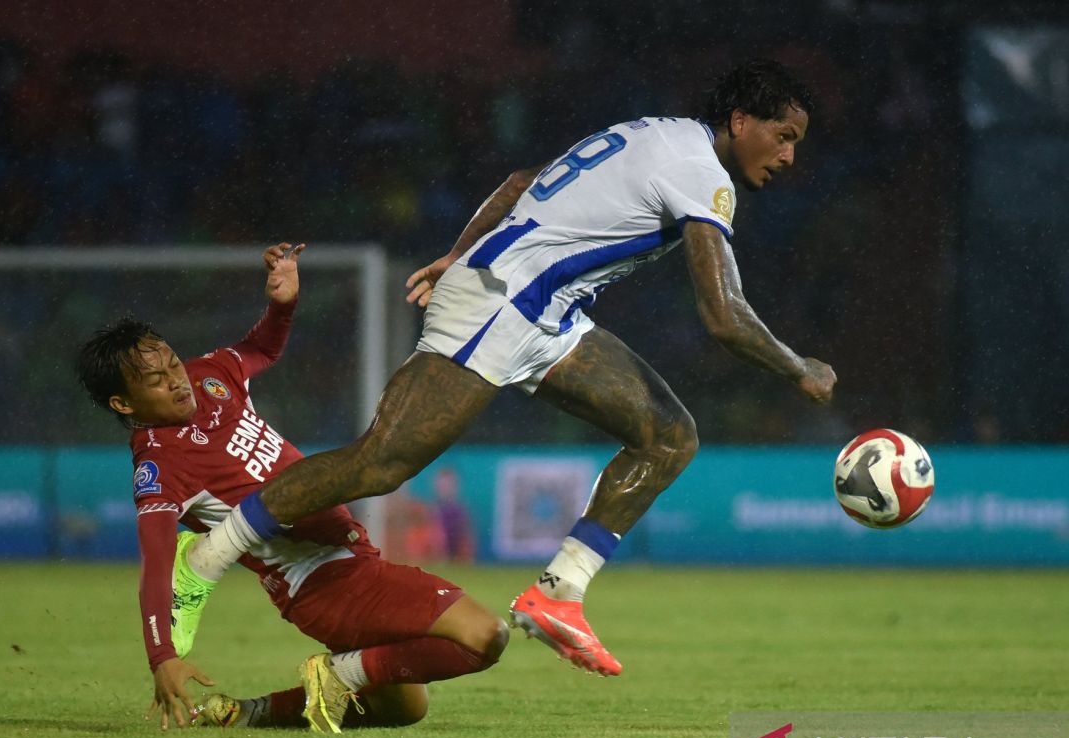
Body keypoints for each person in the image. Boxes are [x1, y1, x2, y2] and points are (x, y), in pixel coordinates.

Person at [200, 59, 837, 677]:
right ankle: (205, 558)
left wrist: (458, 253)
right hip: (503, 302)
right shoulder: (704, 174)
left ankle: (559, 593)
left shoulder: (654, 132)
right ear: (740, 120)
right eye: (783, 137)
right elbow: (723, 314)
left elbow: (517, 180)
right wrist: (798, 369)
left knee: (669, 435)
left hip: (543, 313)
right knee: (380, 464)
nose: (788, 157)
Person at [74, 244, 508, 732]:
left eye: (172, 364)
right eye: (155, 381)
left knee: (403, 706)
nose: (176, 381)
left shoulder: (207, 375)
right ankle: (337, 673)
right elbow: (156, 565)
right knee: (484, 635)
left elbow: (262, 349)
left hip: (350, 562)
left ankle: (246, 714)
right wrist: (161, 656)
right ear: (123, 403)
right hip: (323, 582)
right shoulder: (159, 463)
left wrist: (282, 305)